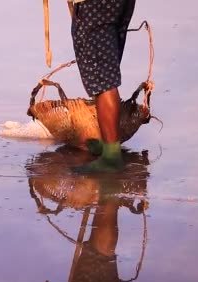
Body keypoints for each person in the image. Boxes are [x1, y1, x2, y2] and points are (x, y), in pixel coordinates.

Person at [68, 0, 137, 172]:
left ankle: (111, 158)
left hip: (94, 5)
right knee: (106, 66)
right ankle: (108, 143)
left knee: (103, 80)